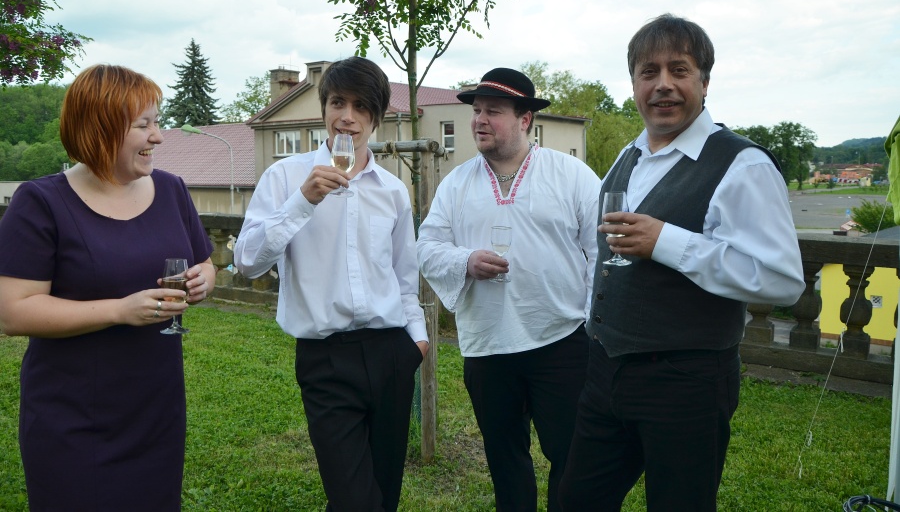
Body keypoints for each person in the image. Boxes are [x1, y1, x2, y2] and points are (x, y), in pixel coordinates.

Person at [557, 14, 806, 511]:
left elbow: (782, 281)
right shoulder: (627, 156)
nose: (663, 84)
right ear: (634, 84)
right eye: (649, 72)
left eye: (679, 70)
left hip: (687, 382)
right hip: (605, 371)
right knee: (576, 501)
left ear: (704, 82)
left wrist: (668, 242)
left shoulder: (743, 164)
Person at [0, 64, 215, 511]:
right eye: (144, 125)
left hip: (157, 410)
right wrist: (119, 310)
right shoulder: (41, 202)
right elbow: (13, 312)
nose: (158, 136)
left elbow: (204, 263)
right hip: (74, 419)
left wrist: (202, 280)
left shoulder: (172, 190)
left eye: (157, 122)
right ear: (100, 128)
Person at [233, 56, 428, 512]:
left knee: (384, 495)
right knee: (353, 498)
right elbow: (246, 262)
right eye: (338, 103)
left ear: (377, 117)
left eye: (361, 107)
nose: (347, 117)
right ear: (324, 108)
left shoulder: (393, 191)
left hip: (390, 353)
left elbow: (404, 277)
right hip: (325, 359)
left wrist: (416, 344)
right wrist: (303, 201)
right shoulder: (285, 177)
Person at [418, 67, 601, 512]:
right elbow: (426, 247)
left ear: (525, 119)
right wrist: (465, 261)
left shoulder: (571, 175)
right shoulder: (456, 183)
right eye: (476, 111)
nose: (479, 120)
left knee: (571, 456)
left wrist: (595, 324)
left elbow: (602, 251)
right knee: (505, 460)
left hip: (561, 340)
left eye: (493, 111)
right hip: (487, 346)